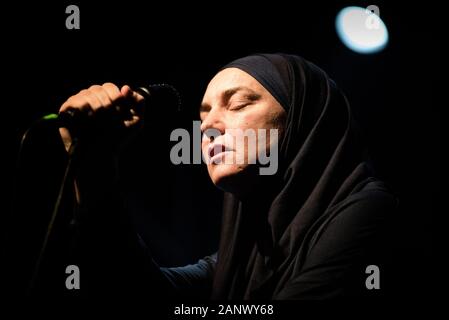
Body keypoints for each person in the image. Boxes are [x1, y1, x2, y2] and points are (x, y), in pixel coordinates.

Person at [55, 53, 397, 299]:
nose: (207, 126)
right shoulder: (239, 256)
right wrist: (92, 164)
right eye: (204, 113)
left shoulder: (370, 211)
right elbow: (137, 289)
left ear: (301, 122)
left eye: (238, 104)